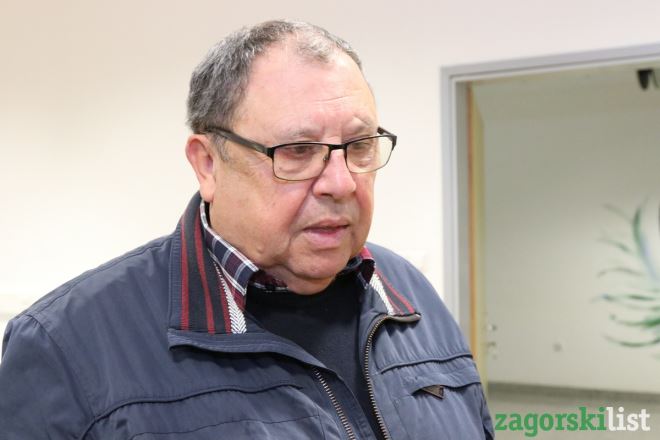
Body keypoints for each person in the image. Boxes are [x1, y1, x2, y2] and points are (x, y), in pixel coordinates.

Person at [0, 20, 493, 439]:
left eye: (360, 145)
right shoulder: (65, 347)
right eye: (297, 151)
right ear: (208, 164)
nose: (342, 182)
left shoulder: (409, 294)